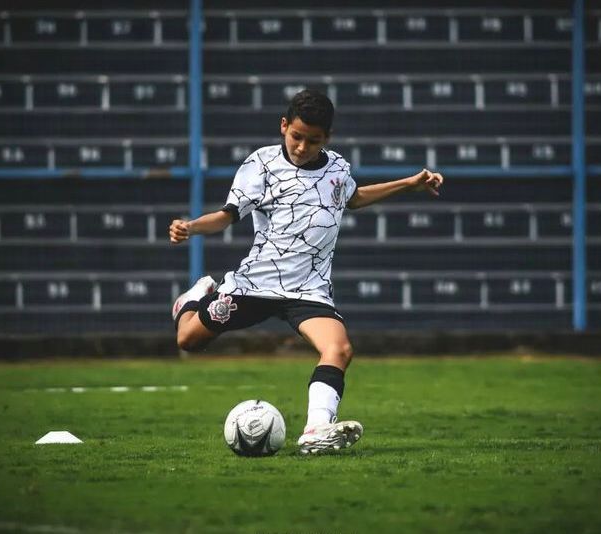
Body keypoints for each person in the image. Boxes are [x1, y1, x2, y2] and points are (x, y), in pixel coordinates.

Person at [168, 89, 442, 454]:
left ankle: (316, 430)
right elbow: (227, 215)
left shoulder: (338, 169)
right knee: (188, 340)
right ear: (284, 126)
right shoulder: (260, 165)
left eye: (313, 141)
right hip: (256, 285)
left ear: (327, 138)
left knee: (339, 349)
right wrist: (191, 227)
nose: (301, 147)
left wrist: (409, 183)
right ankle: (194, 297)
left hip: (308, 290)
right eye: (296, 136)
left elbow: (354, 197)